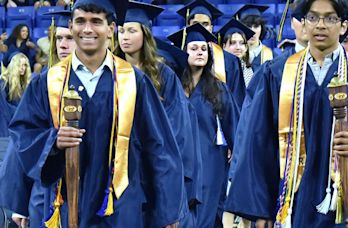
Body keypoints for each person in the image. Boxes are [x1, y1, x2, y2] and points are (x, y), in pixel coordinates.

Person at [5, 0, 185, 227]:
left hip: (120, 207)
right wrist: (53, 141)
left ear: (111, 29)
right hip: (63, 205)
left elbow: (159, 148)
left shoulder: (134, 83)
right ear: (71, 26)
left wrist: (168, 211)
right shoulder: (47, 83)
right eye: (80, 21)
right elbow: (23, 135)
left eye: (96, 22)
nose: (87, 29)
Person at [225, 0, 348, 227]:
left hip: (347, 200)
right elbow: (257, 144)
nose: (321, 25)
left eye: (330, 18)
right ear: (304, 24)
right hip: (290, 201)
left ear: (344, 26)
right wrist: (260, 208)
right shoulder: (277, 73)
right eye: (313, 17)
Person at [115, 1, 198, 226]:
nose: (125, 37)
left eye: (132, 30)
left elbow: (177, 131)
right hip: (119, 166)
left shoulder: (164, 75)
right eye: (121, 30)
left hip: (155, 163)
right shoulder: (110, 71)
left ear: (145, 34)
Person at [0, 9, 77, 228]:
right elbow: (22, 142)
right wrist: (19, 203)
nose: (62, 44)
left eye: (69, 38)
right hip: (46, 193)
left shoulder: (112, 82)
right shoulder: (43, 83)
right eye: (59, 38)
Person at [169, 23, 240, 228]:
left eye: (203, 49)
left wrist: (235, 163)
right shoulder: (173, 86)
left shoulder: (218, 88)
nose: (199, 53)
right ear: (183, 52)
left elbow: (235, 128)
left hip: (210, 162)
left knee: (205, 216)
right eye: (193, 49)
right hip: (178, 161)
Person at [177, 0, 246, 108]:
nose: (201, 27)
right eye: (195, 24)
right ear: (187, 26)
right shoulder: (178, 59)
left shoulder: (230, 61)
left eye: (205, 24)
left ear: (211, 28)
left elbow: (237, 99)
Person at [233, 4, 274, 72]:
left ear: (262, 28)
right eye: (248, 26)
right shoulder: (234, 56)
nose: (252, 31)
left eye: (256, 26)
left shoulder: (272, 56)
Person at [218, 19, 255, 88]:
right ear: (224, 46)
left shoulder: (251, 71)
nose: (238, 47)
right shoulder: (218, 69)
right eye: (233, 43)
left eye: (242, 43)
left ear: (246, 47)